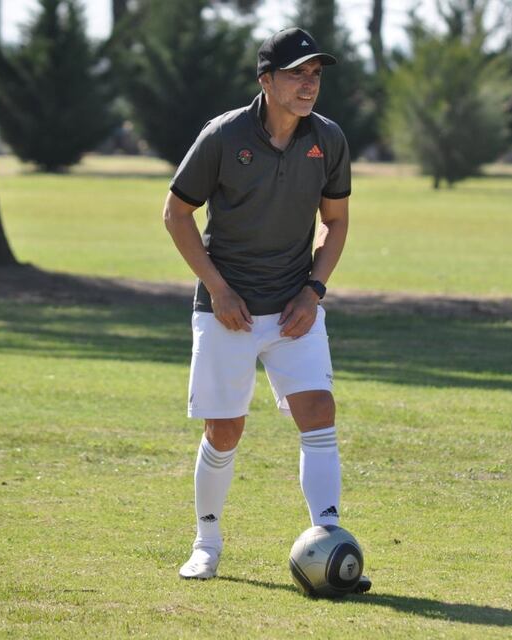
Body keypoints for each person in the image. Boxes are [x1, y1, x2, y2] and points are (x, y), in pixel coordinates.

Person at [163, 27, 369, 593]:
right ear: (266, 80)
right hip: (226, 308)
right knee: (225, 430)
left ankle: (327, 539)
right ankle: (206, 543)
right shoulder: (224, 136)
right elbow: (176, 215)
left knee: (319, 413)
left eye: (316, 74)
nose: (309, 85)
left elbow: (338, 221)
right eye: (297, 74)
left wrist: (314, 291)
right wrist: (220, 289)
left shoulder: (329, 138)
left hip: (294, 308)